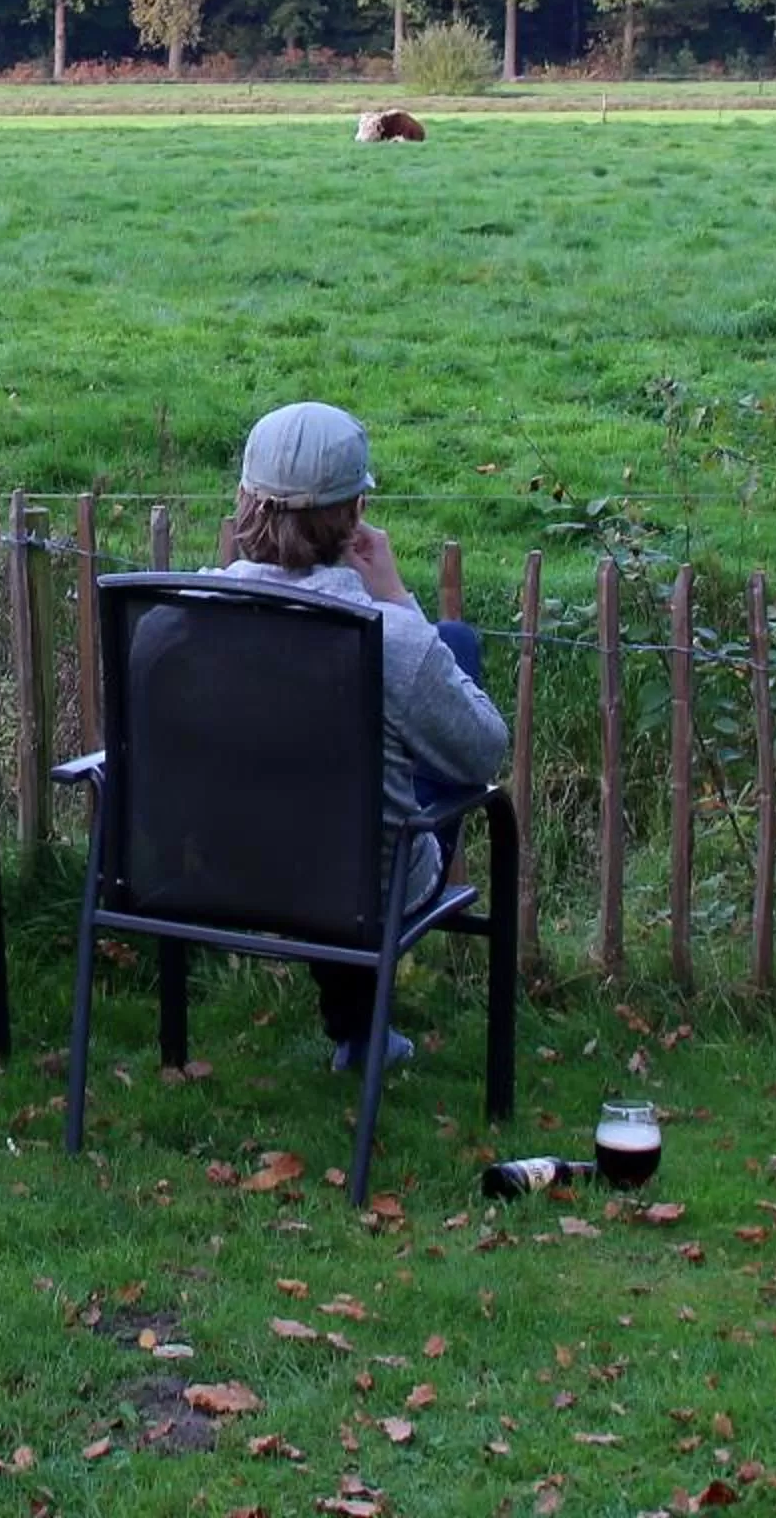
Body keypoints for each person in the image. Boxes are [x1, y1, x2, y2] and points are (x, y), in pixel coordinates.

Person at [212, 401, 510, 1073]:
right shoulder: (393, 639)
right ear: (353, 514)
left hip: (211, 870)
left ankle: (356, 1026)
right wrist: (399, 598)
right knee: (451, 650)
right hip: (363, 885)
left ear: (246, 502)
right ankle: (358, 1029)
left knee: (309, 783)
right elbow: (485, 751)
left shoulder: (183, 613)